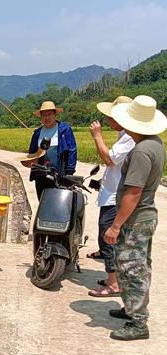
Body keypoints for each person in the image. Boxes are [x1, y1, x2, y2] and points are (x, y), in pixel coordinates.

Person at [104, 95, 167, 341]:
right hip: (143, 217)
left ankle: (138, 322)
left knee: (132, 268)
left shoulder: (141, 151)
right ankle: (132, 307)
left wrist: (116, 225)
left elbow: (133, 191)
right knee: (137, 264)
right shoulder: (155, 143)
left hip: (136, 218)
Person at [87, 96, 135, 298]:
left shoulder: (129, 138)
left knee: (108, 238)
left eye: (111, 116)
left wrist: (97, 136)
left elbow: (109, 159)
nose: (108, 119)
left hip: (115, 197)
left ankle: (114, 284)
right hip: (111, 194)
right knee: (106, 237)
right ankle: (112, 278)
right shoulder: (124, 135)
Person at [27, 101, 77, 200]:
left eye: (49, 114)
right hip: (41, 175)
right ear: (40, 117)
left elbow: (72, 150)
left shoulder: (64, 129)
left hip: (60, 174)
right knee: (43, 203)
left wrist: (69, 173)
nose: (47, 118)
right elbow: (31, 154)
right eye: (44, 115)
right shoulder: (37, 133)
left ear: (55, 115)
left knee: (59, 203)